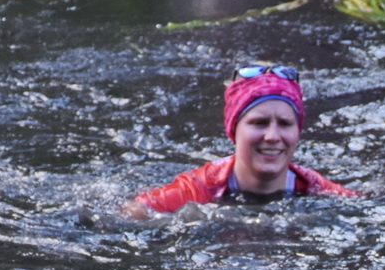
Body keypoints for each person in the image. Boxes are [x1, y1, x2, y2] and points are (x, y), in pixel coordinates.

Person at [124, 63, 356, 217]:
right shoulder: (199, 188)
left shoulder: (313, 186)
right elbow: (134, 213)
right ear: (234, 131)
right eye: (259, 123)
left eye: (285, 124)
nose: (273, 136)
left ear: (298, 132)